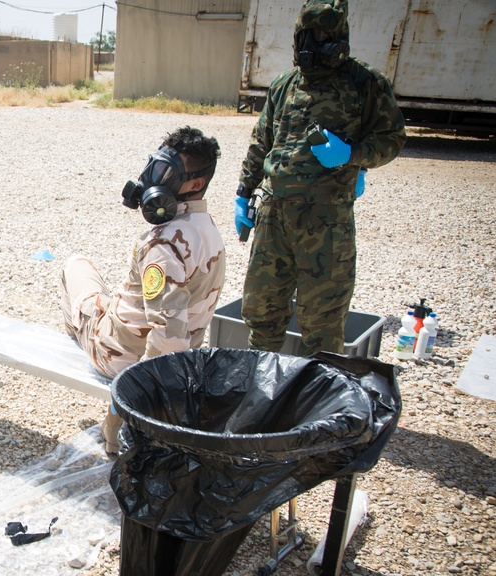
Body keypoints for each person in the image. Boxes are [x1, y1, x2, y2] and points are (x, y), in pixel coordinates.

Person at [235, 0, 405, 356]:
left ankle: (316, 403)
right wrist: (243, 192)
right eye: (307, 36)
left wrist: (353, 156)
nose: (313, 45)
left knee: (323, 324)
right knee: (261, 312)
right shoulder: (286, 83)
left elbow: (392, 138)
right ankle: (258, 390)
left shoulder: (365, 83)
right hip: (274, 217)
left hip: (325, 222)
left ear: (339, 37)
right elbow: (261, 140)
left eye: (322, 37)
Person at [61, 127, 225, 452]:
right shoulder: (206, 229)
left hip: (120, 357)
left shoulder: (164, 244)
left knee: (75, 265)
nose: (153, 178)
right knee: (108, 293)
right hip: (178, 354)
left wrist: (120, 410)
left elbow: (167, 337)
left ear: (195, 184)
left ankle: (80, 332)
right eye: (155, 165)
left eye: (166, 172)